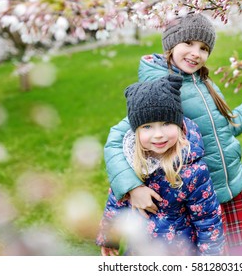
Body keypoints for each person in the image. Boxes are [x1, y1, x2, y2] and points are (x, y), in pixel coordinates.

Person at [104, 13, 242, 256]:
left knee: (238, 253)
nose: (196, 53)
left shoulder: (202, 83)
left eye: (203, 47)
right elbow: (118, 140)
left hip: (231, 185)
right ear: (171, 44)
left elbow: (224, 127)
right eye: (188, 43)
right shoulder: (159, 89)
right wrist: (133, 187)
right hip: (197, 194)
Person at [96, 75, 225, 256]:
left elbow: (208, 221)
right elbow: (116, 202)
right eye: (147, 127)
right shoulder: (131, 162)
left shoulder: (193, 171)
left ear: (179, 125)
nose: (158, 134)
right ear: (136, 131)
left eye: (166, 124)